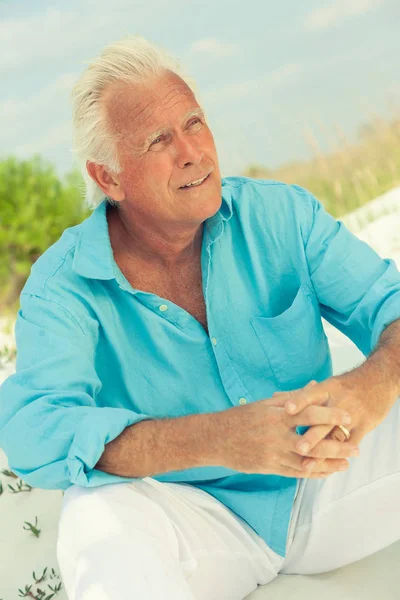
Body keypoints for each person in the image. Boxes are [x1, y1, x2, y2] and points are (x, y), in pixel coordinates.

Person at [1, 35, 400, 600]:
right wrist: (217, 439)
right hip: (194, 519)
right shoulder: (62, 288)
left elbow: (392, 305)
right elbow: (34, 431)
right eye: (159, 140)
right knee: (95, 515)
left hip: (327, 480)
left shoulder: (280, 214)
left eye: (194, 122)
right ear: (109, 178)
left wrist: (369, 388)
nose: (192, 151)